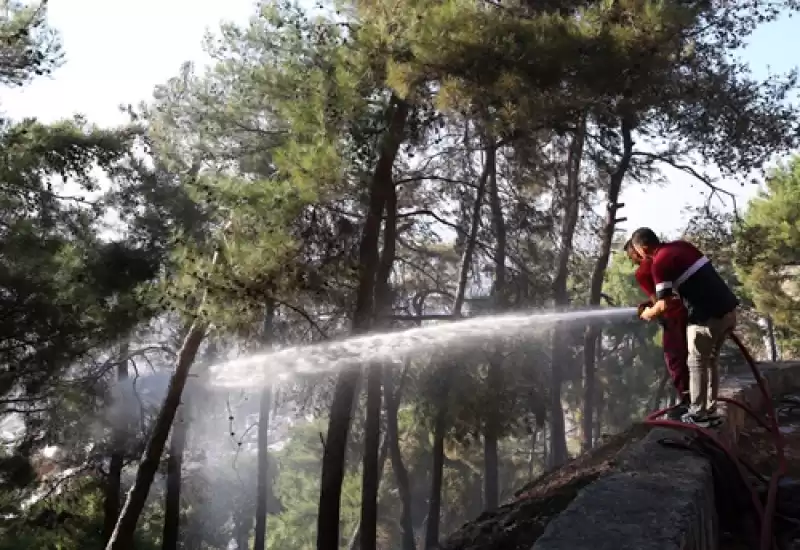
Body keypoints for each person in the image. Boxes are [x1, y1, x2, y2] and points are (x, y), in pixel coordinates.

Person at [631, 227, 739, 427]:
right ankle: (710, 409)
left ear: (644, 248)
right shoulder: (681, 246)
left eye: (637, 251)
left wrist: (647, 314)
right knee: (710, 361)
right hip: (728, 311)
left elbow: (663, 305)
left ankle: (698, 414)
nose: (637, 256)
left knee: (696, 363)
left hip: (706, 317)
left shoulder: (659, 262)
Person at [623, 239, 690, 420]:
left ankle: (688, 401)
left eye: (631, 256)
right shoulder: (665, 257)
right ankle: (699, 398)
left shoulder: (643, 271)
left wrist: (648, 312)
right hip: (690, 310)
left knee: (675, 359)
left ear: (638, 251)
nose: (632, 261)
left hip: (674, 317)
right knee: (696, 356)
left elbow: (659, 301)